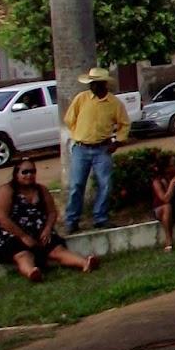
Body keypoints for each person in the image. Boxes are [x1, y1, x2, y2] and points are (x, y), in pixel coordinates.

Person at [0, 158, 97, 281]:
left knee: (57, 250)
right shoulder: (6, 190)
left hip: (40, 231)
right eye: (25, 172)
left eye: (32, 172)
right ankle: (31, 272)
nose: (29, 175)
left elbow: (52, 212)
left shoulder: (41, 190)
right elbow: (2, 218)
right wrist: (23, 236)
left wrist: (48, 229)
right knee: (22, 255)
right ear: (16, 173)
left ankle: (85, 263)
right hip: (13, 233)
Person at [63, 66, 131, 234]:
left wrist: (118, 142)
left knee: (105, 184)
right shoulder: (81, 98)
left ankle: (100, 218)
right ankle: (72, 220)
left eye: (95, 83)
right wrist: (78, 134)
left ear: (103, 84)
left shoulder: (114, 103)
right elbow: (69, 119)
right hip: (81, 148)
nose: (92, 86)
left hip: (102, 149)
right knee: (76, 185)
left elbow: (125, 124)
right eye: (91, 83)